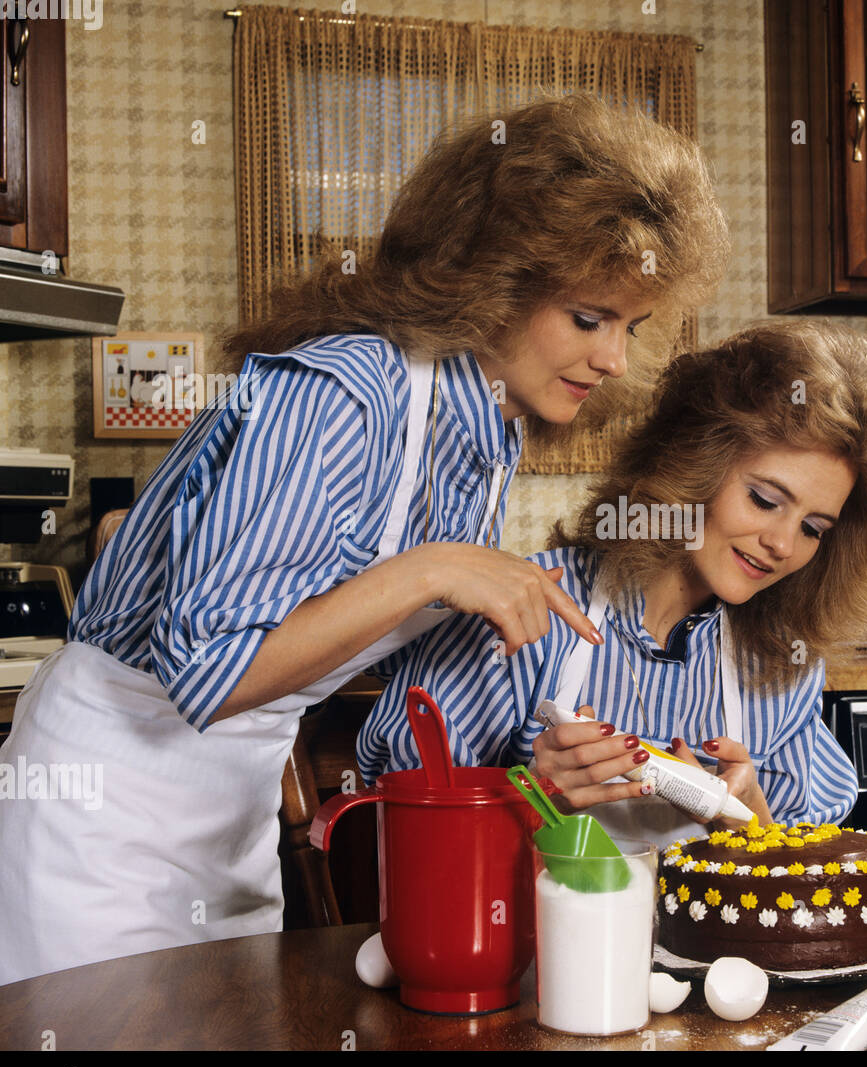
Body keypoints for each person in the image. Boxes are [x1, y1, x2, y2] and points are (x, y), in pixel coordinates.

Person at [0, 93, 728, 985]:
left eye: (632, 327)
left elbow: (357, 645)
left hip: (231, 814)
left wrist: (604, 747)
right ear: (492, 276)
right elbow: (207, 674)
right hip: (101, 813)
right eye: (589, 317)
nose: (615, 358)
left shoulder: (482, 435)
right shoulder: (348, 392)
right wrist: (433, 569)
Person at [357, 320, 867, 846]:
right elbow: (406, 829)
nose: (782, 544)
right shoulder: (531, 611)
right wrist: (531, 798)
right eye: (765, 500)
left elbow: (801, 882)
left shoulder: (778, 661)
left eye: (813, 529)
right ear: (692, 466)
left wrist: (750, 819)